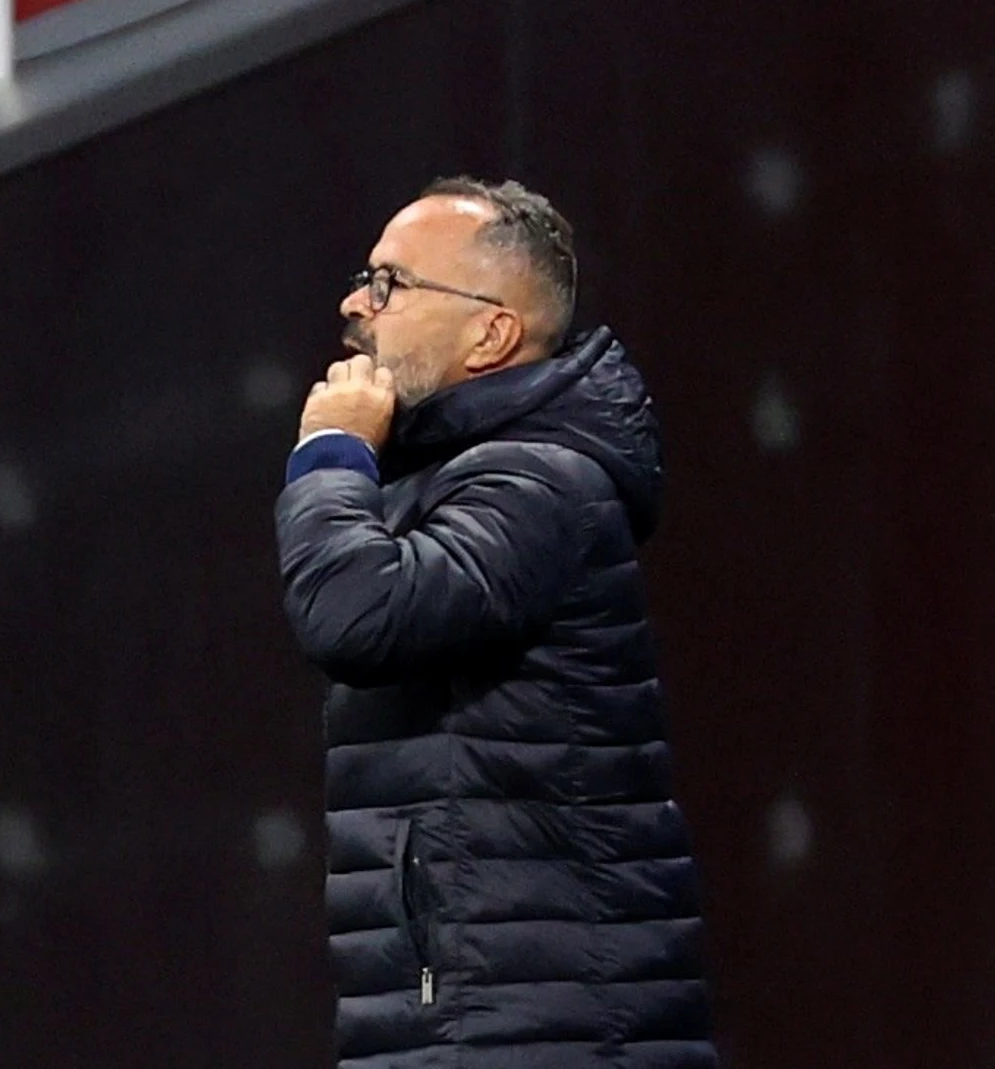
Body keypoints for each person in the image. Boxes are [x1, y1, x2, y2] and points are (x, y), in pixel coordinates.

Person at [276, 178, 715, 1068]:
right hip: (479, 1013)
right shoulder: (460, 477)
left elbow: (356, 611)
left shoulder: (540, 483)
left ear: (491, 332)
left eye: (390, 283)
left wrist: (330, 452)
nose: (355, 304)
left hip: (546, 1028)